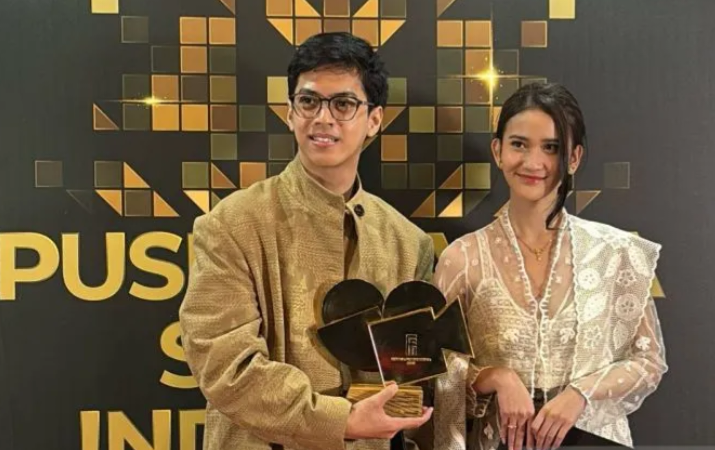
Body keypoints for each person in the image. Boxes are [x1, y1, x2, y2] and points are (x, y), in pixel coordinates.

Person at [178, 32, 434, 450]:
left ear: (374, 119)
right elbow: (225, 367)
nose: (323, 118)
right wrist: (341, 420)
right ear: (290, 113)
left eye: (343, 104)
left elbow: (414, 373)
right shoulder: (231, 224)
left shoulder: (408, 242)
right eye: (309, 101)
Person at [432, 82, 667, 450]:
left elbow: (648, 361)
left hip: (594, 440)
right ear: (497, 151)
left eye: (551, 148)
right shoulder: (461, 258)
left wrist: (580, 394)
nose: (533, 162)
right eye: (519, 144)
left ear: (574, 158)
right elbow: (436, 366)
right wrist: (496, 377)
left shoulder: (615, 252)